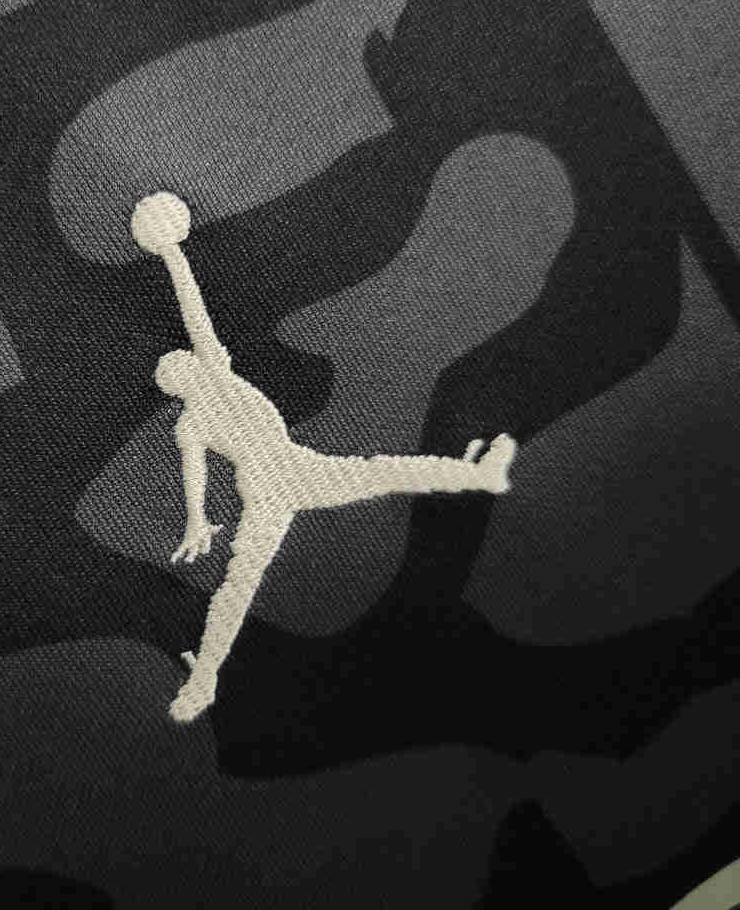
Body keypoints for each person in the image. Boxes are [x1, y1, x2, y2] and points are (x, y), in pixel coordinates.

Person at [131, 192, 517, 722]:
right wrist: (196, 518)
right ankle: (203, 680)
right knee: (253, 573)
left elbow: (192, 310)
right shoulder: (200, 404)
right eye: (180, 366)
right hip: (277, 479)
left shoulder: (207, 388)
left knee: (372, 482)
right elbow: (193, 471)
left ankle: (478, 473)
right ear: (182, 380)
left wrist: (175, 255)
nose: (186, 361)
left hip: (287, 472)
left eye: (182, 360)